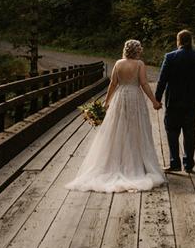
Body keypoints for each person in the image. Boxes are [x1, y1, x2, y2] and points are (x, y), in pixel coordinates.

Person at [65, 39, 166, 192]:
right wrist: (154, 101)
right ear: (137, 51)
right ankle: (136, 164)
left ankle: (115, 163)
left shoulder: (118, 63)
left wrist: (106, 102)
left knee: (117, 129)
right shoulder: (139, 64)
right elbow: (144, 84)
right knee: (135, 129)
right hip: (134, 98)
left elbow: (113, 83)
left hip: (120, 97)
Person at [154, 28, 195, 174]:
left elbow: (162, 80)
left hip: (173, 101)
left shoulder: (170, 57)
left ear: (178, 41)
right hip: (192, 102)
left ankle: (175, 163)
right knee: (189, 131)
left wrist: (157, 99)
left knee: (172, 131)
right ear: (191, 41)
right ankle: (189, 164)